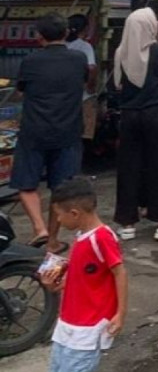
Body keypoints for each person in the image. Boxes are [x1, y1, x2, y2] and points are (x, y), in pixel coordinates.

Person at [41, 179, 133, 372]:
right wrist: (56, 283)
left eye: (59, 216)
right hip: (69, 321)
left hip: (89, 325)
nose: (58, 221)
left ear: (75, 213)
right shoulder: (81, 237)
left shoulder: (102, 238)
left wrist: (120, 314)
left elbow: (120, 272)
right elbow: (86, 276)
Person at [13, 13, 87, 252]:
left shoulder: (31, 61)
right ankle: (53, 240)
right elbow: (85, 82)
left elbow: (21, 91)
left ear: (39, 36)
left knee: (26, 185)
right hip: (68, 132)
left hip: (34, 131)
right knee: (61, 190)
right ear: (66, 33)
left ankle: (39, 228)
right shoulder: (79, 59)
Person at [112, 8, 158, 242]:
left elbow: (116, 86)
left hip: (130, 115)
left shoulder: (121, 51)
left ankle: (127, 223)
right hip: (157, 113)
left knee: (129, 167)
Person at [65, 14, 98, 145]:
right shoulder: (84, 46)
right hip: (82, 96)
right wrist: (90, 86)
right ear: (85, 29)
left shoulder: (62, 45)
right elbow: (92, 68)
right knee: (83, 134)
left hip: (65, 97)